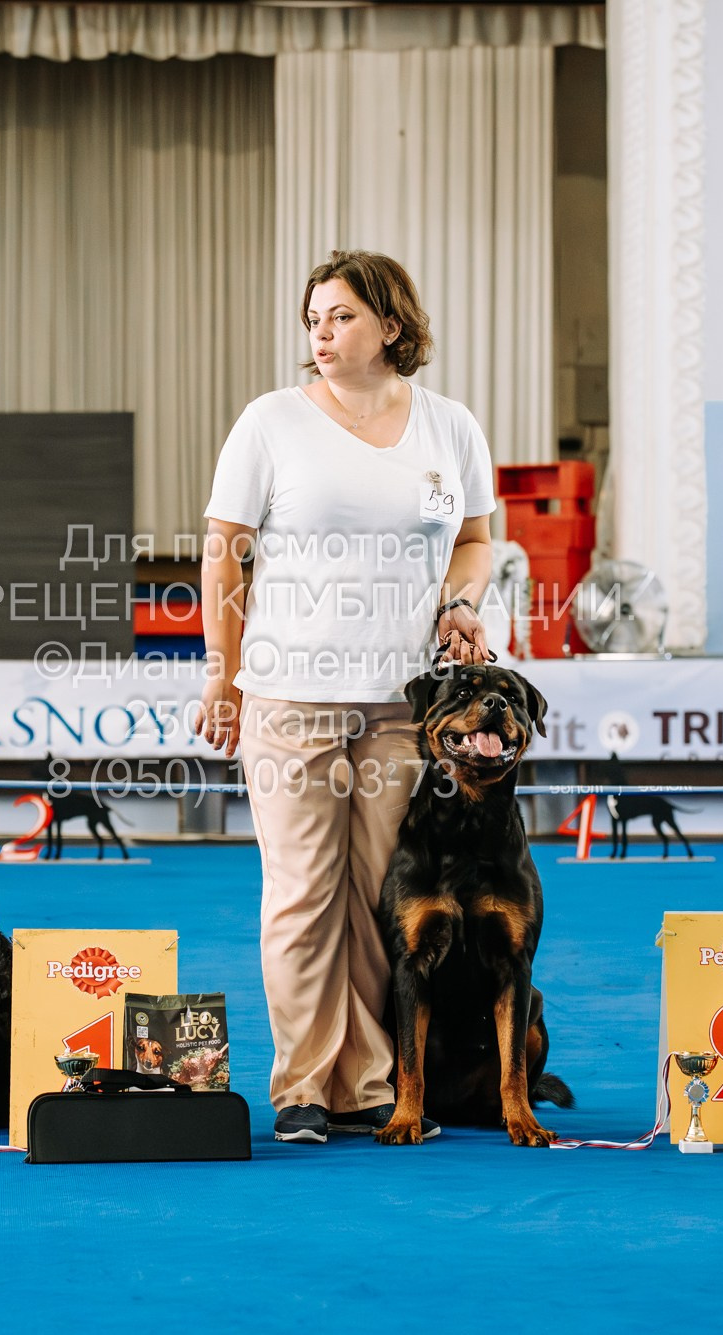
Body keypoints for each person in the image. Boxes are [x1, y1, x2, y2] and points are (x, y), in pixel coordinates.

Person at [197, 250, 496, 1144]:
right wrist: (221, 670)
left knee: (380, 898)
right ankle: (300, 1086)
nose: (321, 336)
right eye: (314, 321)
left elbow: (476, 541)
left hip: (405, 705)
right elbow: (224, 550)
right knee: (299, 893)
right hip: (288, 696)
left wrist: (460, 602)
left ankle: (370, 1082)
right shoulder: (271, 422)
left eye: (341, 318)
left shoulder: (450, 428)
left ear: (392, 327)